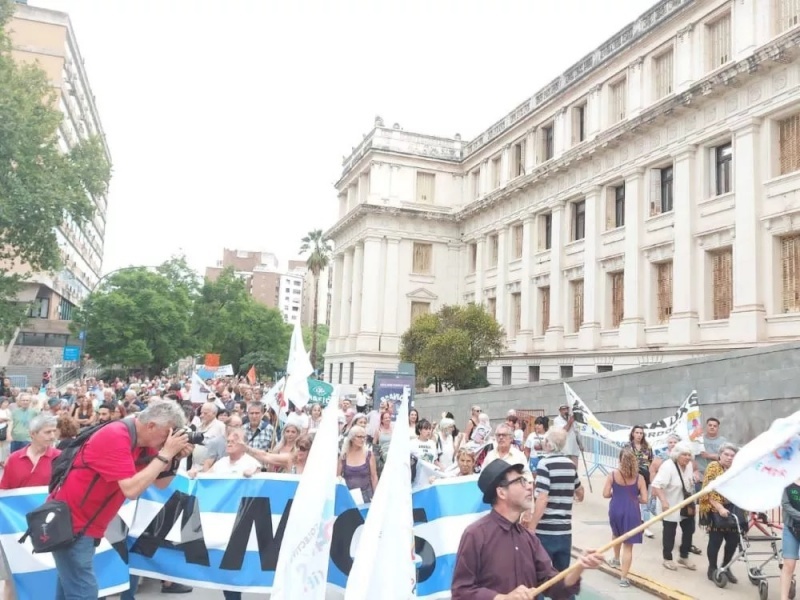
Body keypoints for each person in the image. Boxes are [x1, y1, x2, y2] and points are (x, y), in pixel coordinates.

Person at [51, 399, 192, 599]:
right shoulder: (116, 435)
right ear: (151, 426)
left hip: (88, 524)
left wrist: (174, 458)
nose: (169, 439)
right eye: (167, 433)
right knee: (84, 591)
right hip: (72, 522)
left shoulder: (144, 442)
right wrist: (166, 453)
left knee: (70, 588)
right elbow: (131, 489)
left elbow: (161, 483)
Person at [451, 460, 603, 599]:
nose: (530, 486)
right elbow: (461, 592)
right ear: (501, 492)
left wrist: (579, 566)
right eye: (520, 481)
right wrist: (502, 598)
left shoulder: (528, 538)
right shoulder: (476, 535)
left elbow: (553, 585)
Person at [603, 449, 647, 588]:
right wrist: (634, 499)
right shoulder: (639, 478)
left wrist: (616, 495)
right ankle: (623, 578)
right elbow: (645, 499)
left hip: (615, 508)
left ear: (620, 460)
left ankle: (615, 558)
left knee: (616, 535)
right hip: (632, 511)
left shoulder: (612, 475)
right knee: (628, 546)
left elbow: (605, 494)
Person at [651, 442, 696, 572]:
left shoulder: (689, 466)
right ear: (677, 455)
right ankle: (667, 558)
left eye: (689, 455)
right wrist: (664, 501)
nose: (687, 457)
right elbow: (657, 485)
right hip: (670, 504)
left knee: (689, 530)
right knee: (670, 532)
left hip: (685, 504)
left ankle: (683, 556)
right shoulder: (668, 466)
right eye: (684, 454)